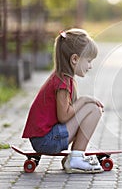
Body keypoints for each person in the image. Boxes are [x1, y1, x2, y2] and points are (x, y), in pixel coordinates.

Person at [22, 28, 104, 173]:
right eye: (89, 61)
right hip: (46, 141)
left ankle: (74, 157)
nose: (90, 66)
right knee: (93, 109)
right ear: (74, 59)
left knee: (90, 108)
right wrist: (84, 100)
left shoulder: (63, 78)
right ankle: (77, 158)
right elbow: (64, 116)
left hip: (45, 138)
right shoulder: (62, 82)